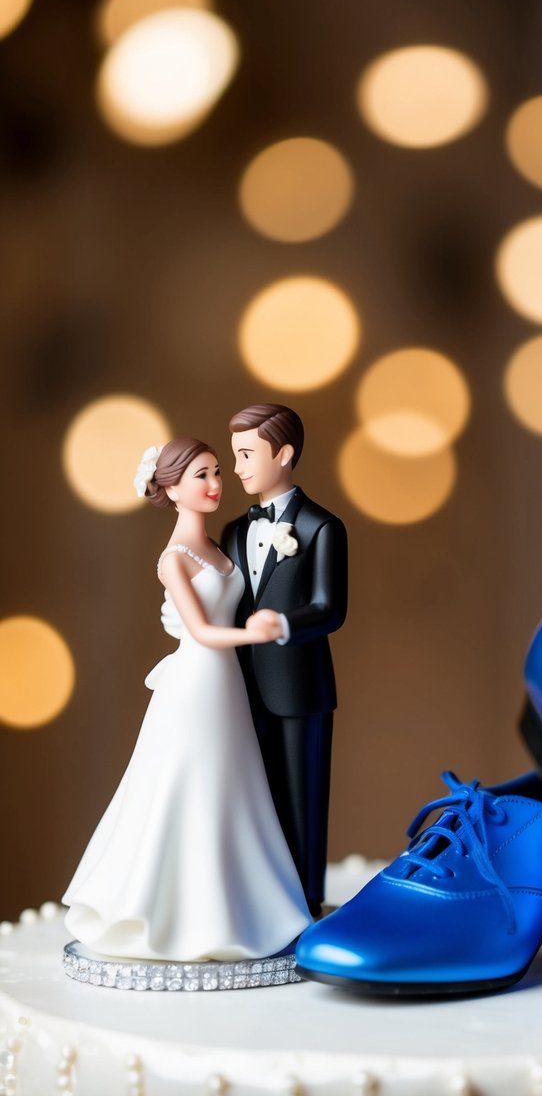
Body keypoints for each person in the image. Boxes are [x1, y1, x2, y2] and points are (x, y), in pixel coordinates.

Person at [63, 438, 312, 962]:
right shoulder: (173, 560)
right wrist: (257, 634)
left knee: (232, 789)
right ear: (172, 488)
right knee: (190, 787)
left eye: (217, 471)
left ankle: (240, 908)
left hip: (227, 686)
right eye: (200, 475)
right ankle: (173, 914)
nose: (215, 483)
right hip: (197, 682)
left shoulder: (222, 546)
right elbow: (200, 631)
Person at [221, 405, 347, 917]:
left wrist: (285, 625)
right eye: (235, 456)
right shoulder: (233, 529)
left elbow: (330, 608)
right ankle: (257, 895)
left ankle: (305, 899)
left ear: (285, 454)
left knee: (302, 796)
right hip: (239, 685)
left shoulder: (322, 527)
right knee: (251, 793)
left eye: (247, 454)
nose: (238, 468)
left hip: (299, 685)